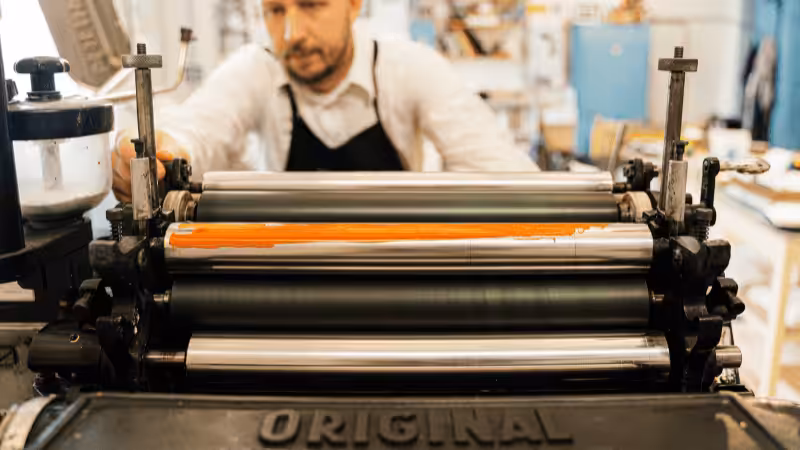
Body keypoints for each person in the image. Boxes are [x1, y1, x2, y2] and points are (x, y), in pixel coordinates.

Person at [112, 0, 538, 202]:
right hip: (295, 277)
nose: (292, 33)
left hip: (403, 275)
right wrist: (158, 149)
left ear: (354, 5)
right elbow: (203, 125)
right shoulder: (258, 68)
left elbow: (505, 175)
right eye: (276, 11)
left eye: (311, 5)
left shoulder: (409, 67)